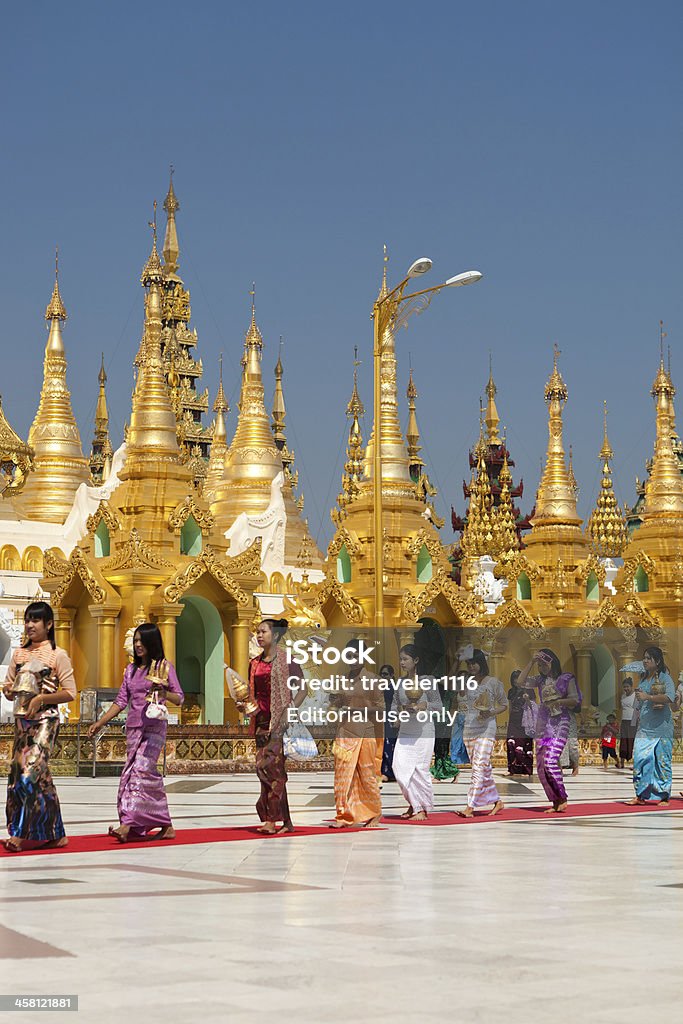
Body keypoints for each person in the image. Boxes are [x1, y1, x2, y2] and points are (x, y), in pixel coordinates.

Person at [88, 622, 184, 842]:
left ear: (152, 642)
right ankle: (164, 824)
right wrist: (100, 722)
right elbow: (121, 700)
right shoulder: (131, 670)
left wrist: (164, 692)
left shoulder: (164, 667)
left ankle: (128, 823)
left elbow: (179, 698)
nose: (138, 645)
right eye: (136, 641)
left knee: (141, 770)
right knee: (135, 775)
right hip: (133, 728)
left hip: (154, 728)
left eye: (142, 641)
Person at [2, 601, 76, 852]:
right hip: (23, 722)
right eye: (27, 620)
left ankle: (22, 834)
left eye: (35, 620)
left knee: (29, 774)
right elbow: (10, 688)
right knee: (32, 778)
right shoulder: (19, 654)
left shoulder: (58, 655)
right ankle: (56, 833)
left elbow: (70, 693)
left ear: (49, 624)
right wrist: (9, 691)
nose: (29, 625)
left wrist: (41, 698)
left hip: (46, 721)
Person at [244, 618, 304, 835]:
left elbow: (303, 689)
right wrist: (244, 704)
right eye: (257, 632)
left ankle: (271, 819)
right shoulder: (254, 663)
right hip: (260, 721)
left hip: (279, 721)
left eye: (263, 632)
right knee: (266, 769)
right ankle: (286, 821)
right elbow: (252, 693)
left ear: (275, 635)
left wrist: (290, 709)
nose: (259, 635)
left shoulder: (288, 661)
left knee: (271, 769)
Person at [516, 649, 580, 813]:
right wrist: (530, 662)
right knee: (541, 764)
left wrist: (557, 702)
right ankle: (555, 801)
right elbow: (520, 682)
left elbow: (575, 700)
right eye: (539, 664)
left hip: (560, 723)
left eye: (545, 663)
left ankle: (562, 797)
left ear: (554, 662)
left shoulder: (566, 678)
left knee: (551, 760)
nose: (542, 667)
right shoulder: (539, 680)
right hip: (544, 725)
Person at [330, 639, 383, 828]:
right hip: (344, 731)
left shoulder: (374, 680)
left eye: (356, 656)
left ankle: (375, 813)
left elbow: (381, 709)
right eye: (349, 656)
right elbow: (336, 704)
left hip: (365, 732)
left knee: (366, 774)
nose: (352, 660)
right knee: (342, 775)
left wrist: (356, 710)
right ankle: (344, 815)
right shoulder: (342, 679)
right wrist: (334, 700)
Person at [391, 644, 441, 820]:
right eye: (401, 659)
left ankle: (420, 809)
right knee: (398, 767)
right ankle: (414, 803)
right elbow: (395, 705)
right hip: (405, 731)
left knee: (419, 771)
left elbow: (439, 706)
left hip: (424, 732)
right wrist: (396, 717)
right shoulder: (400, 683)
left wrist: (424, 705)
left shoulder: (428, 681)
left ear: (416, 660)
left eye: (405, 659)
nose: (402, 662)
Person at [457, 649, 507, 817]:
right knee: (482, 767)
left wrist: (491, 712)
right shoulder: (467, 681)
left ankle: (470, 806)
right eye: (469, 663)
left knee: (479, 766)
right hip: (469, 727)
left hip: (487, 727)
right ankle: (497, 801)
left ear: (482, 663)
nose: (471, 666)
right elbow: (459, 694)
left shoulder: (493, 682)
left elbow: (504, 704)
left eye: (474, 663)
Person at [627, 646, 675, 806]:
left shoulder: (665, 678)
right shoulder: (643, 678)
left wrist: (648, 696)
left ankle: (664, 796)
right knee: (640, 759)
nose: (645, 660)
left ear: (658, 661)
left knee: (661, 760)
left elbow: (670, 697)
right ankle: (641, 795)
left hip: (661, 727)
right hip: (645, 726)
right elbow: (641, 702)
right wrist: (639, 700)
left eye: (649, 658)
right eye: (644, 657)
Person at [506, 669, 534, 777]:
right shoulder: (511, 691)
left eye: (518, 677)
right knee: (511, 743)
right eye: (514, 678)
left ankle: (526, 770)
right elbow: (510, 707)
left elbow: (533, 707)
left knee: (525, 744)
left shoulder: (529, 691)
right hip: (514, 720)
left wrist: (527, 700)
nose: (516, 680)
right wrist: (510, 720)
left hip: (525, 720)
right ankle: (512, 769)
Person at [379, 663, 397, 782]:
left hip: (392, 717)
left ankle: (392, 772)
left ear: (391, 675)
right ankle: (385, 771)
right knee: (383, 745)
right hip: (382, 717)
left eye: (385, 674)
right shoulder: (381, 688)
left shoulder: (395, 688)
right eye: (381, 675)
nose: (383, 677)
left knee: (391, 745)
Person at [618, 677, 638, 768]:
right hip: (624, 720)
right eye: (624, 687)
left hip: (632, 720)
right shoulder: (623, 696)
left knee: (632, 741)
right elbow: (622, 709)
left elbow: (638, 709)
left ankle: (635, 763)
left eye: (627, 687)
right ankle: (621, 762)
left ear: (631, 686)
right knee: (623, 741)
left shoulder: (635, 696)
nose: (626, 689)